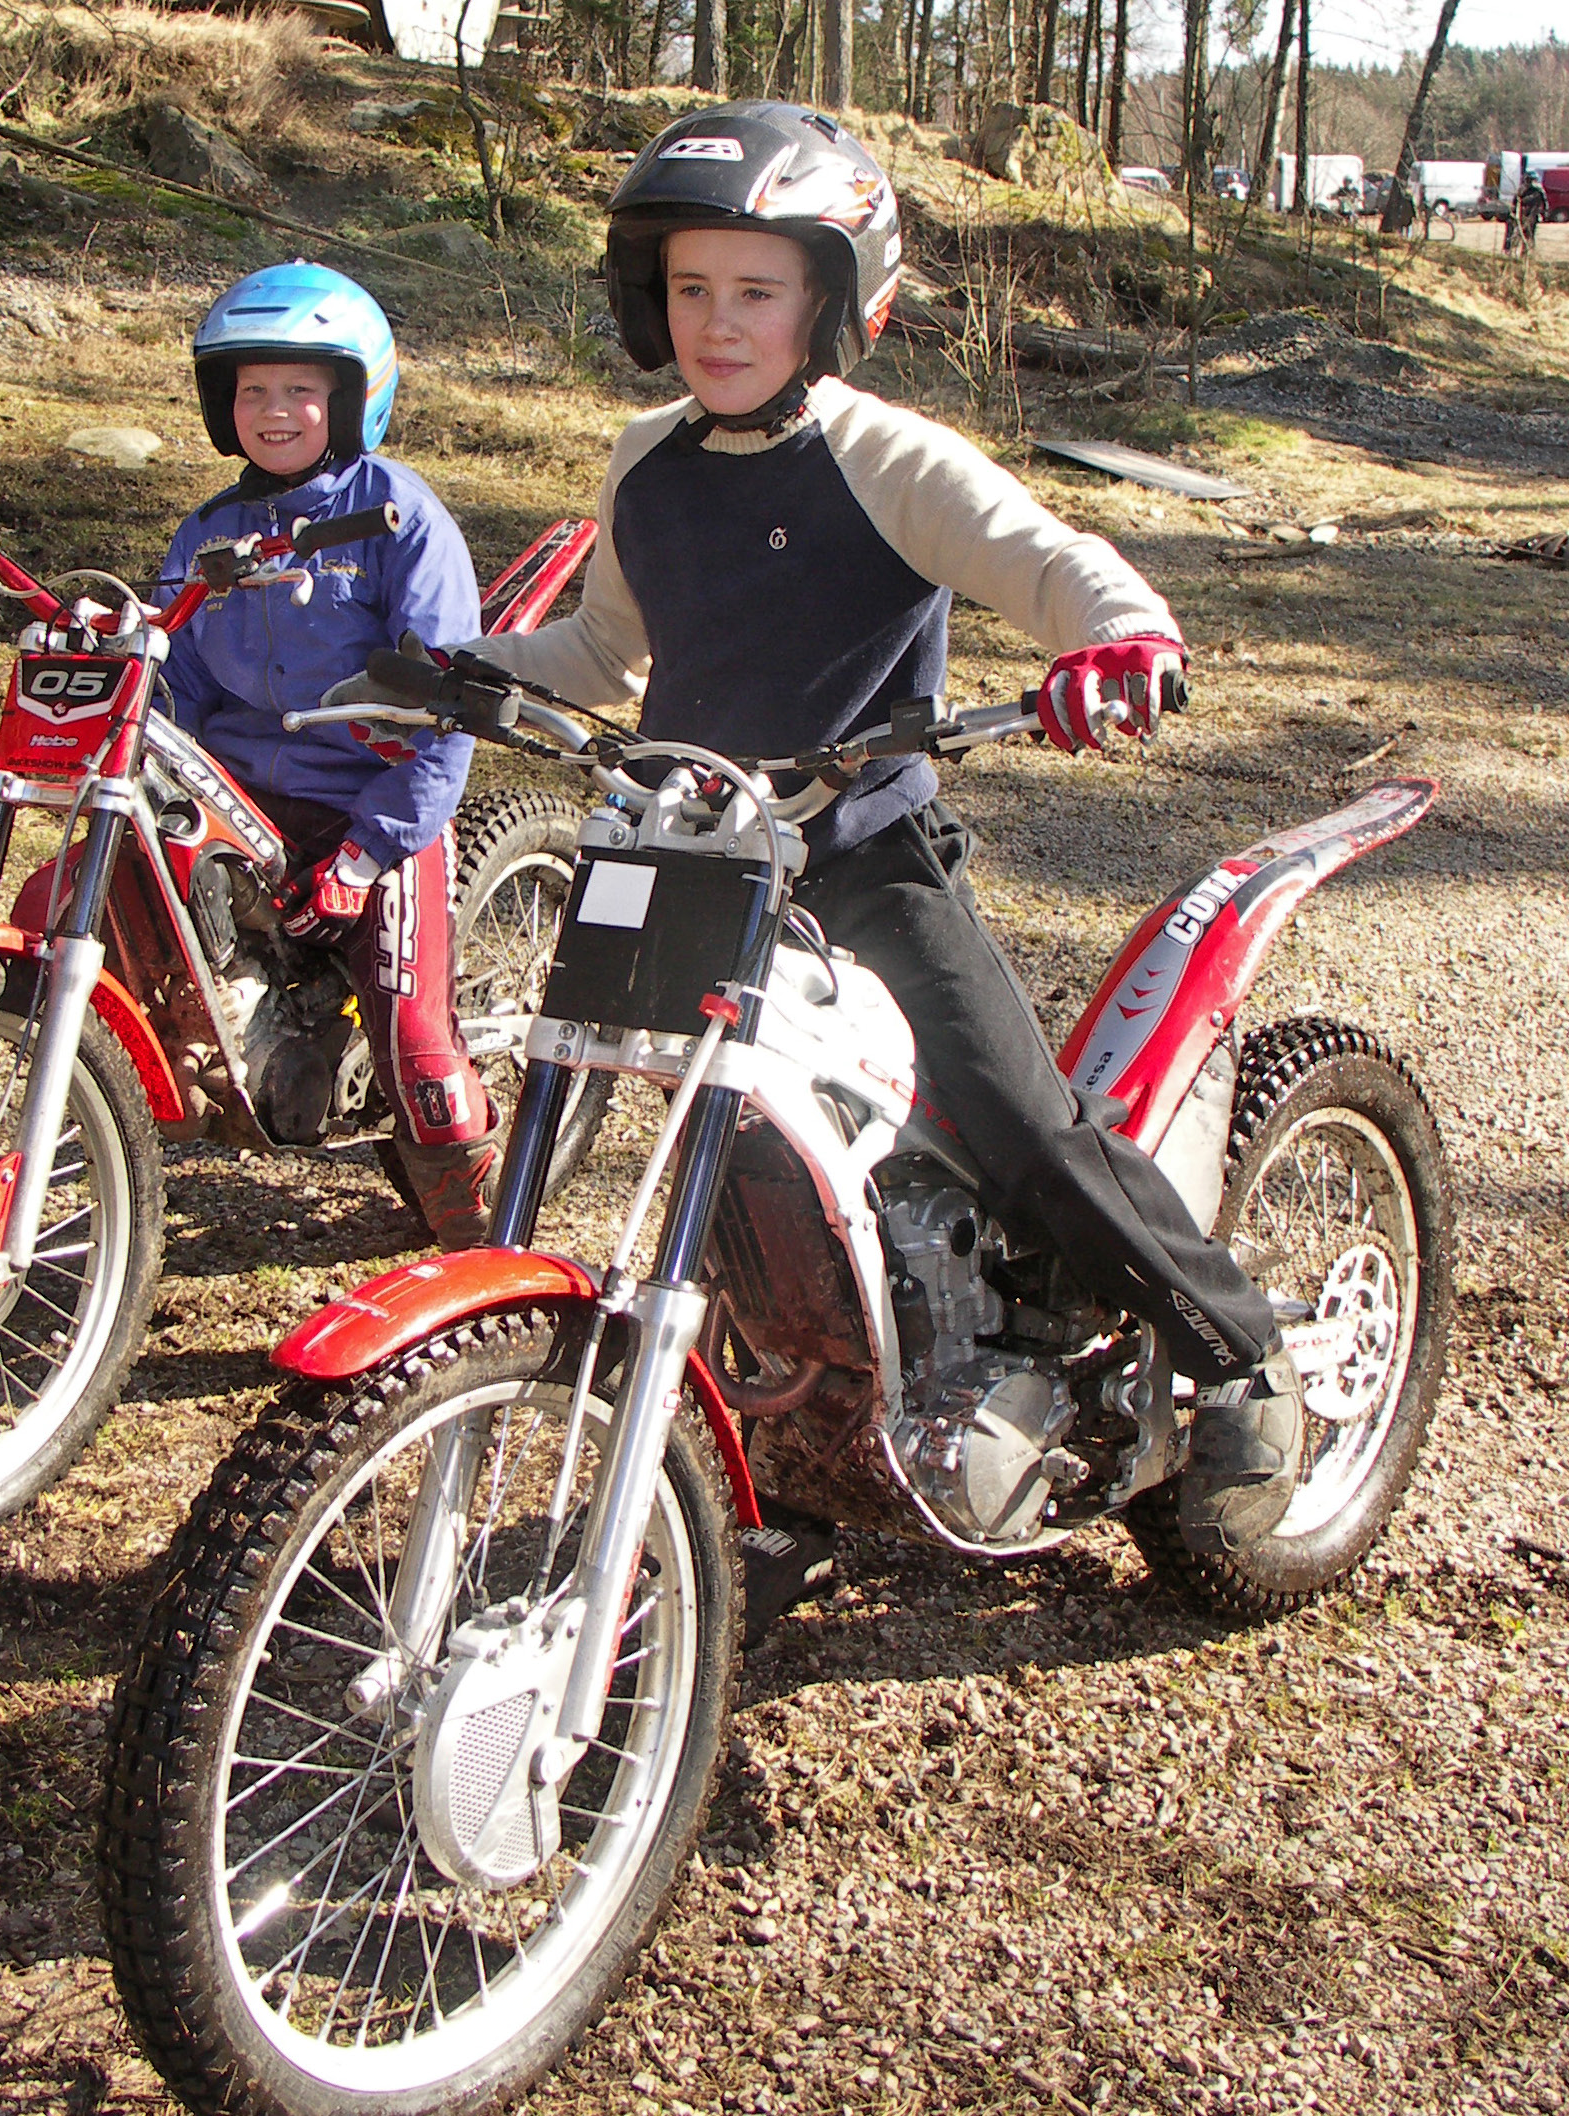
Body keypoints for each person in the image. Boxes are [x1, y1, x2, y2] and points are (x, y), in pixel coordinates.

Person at [349, 104, 1303, 1629]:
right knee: (729, 1179)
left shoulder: (884, 457)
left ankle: (1238, 1350)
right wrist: (451, 670)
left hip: (863, 861)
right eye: (690, 289)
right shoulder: (646, 464)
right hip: (691, 862)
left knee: (1019, 1123)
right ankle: (790, 1476)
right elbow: (603, 651)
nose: (718, 323)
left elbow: (1046, 559)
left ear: (837, 303)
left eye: (757, 291)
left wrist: (1117, 635)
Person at [162, 262, 499, 1247]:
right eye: (252, 389)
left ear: (354, 398)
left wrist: (364, 855)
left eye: (300, 389)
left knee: (413, 1033)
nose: (273, 411)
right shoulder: (209, 533)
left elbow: (445, 709)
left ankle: (475, 1229)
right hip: (241, 803)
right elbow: (178, 680)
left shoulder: (399, 518)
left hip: (374, 807)